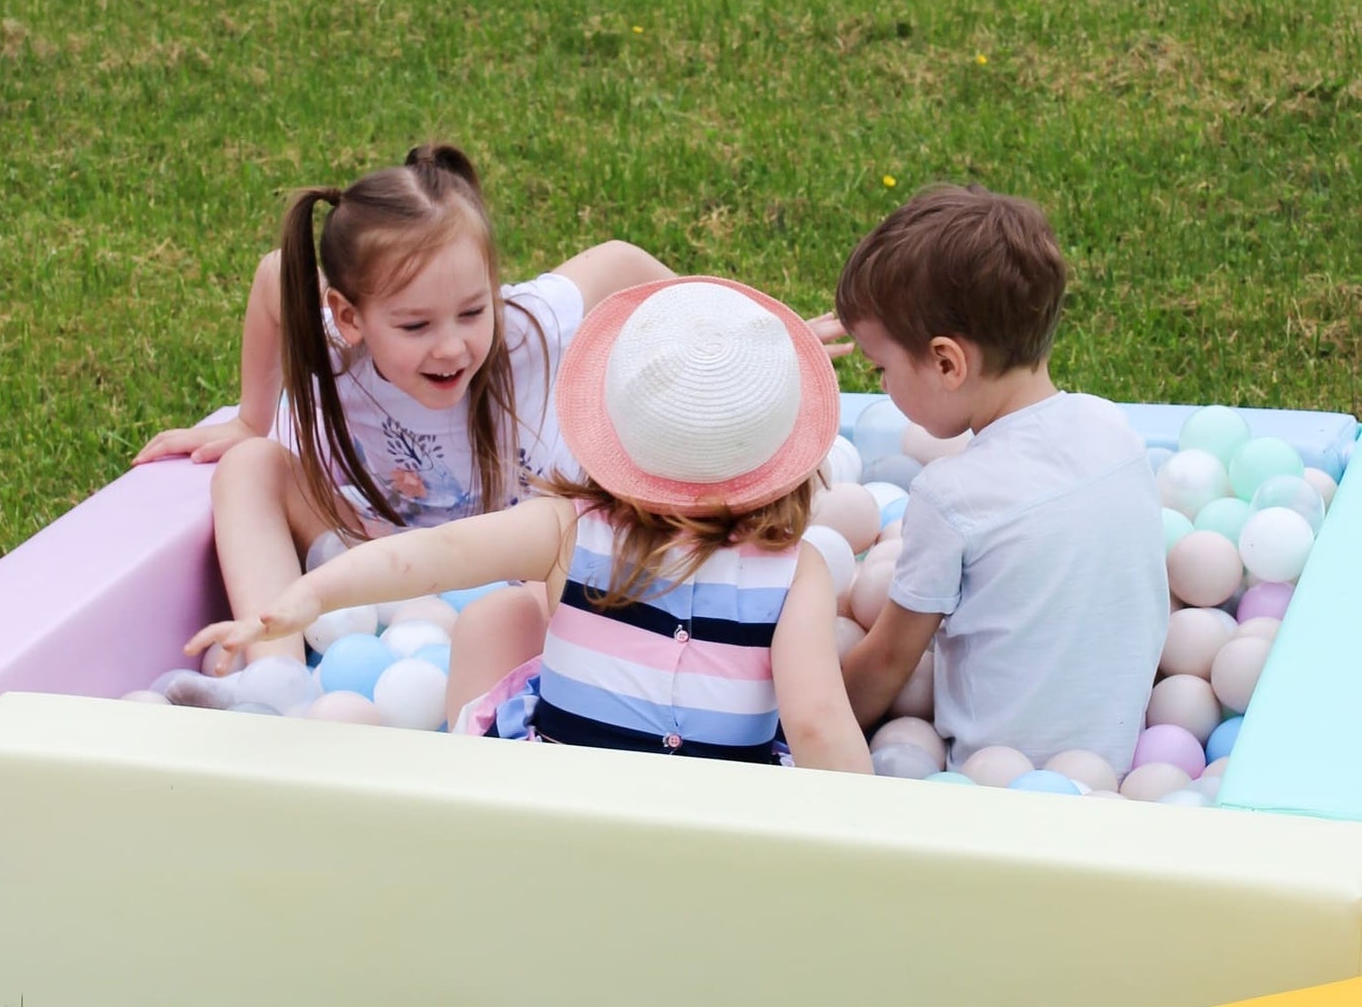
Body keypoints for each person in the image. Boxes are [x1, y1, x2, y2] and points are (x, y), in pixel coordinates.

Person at [186, 277, 874, 775]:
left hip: (563, 806)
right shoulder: (796, 571)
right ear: (786, 452)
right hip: (721, 819)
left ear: (612, 428)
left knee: (496, 641)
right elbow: (814, 720)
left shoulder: (567, 528)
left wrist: (308, 597)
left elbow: (433, 555)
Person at [137, 144, 673, 713]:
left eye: (472, 311)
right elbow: (276, 277)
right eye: (415, 324)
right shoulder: (338, 344)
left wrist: (736, 351)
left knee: (584, 545)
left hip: (520, 578)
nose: (451, 345)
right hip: (370, 562)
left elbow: (621, 263)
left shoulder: (526, 327)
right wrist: (252, 418)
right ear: (349, 317)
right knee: (251, 466)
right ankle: (276, 677)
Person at [834, 184, 1168, 775]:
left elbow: (888, 662)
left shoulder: (952, 495)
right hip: (1119, 761)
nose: (880, 385)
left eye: (880, 368)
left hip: (994, 784)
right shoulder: (1111, 427)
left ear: (946, 363)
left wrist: (793, 723)